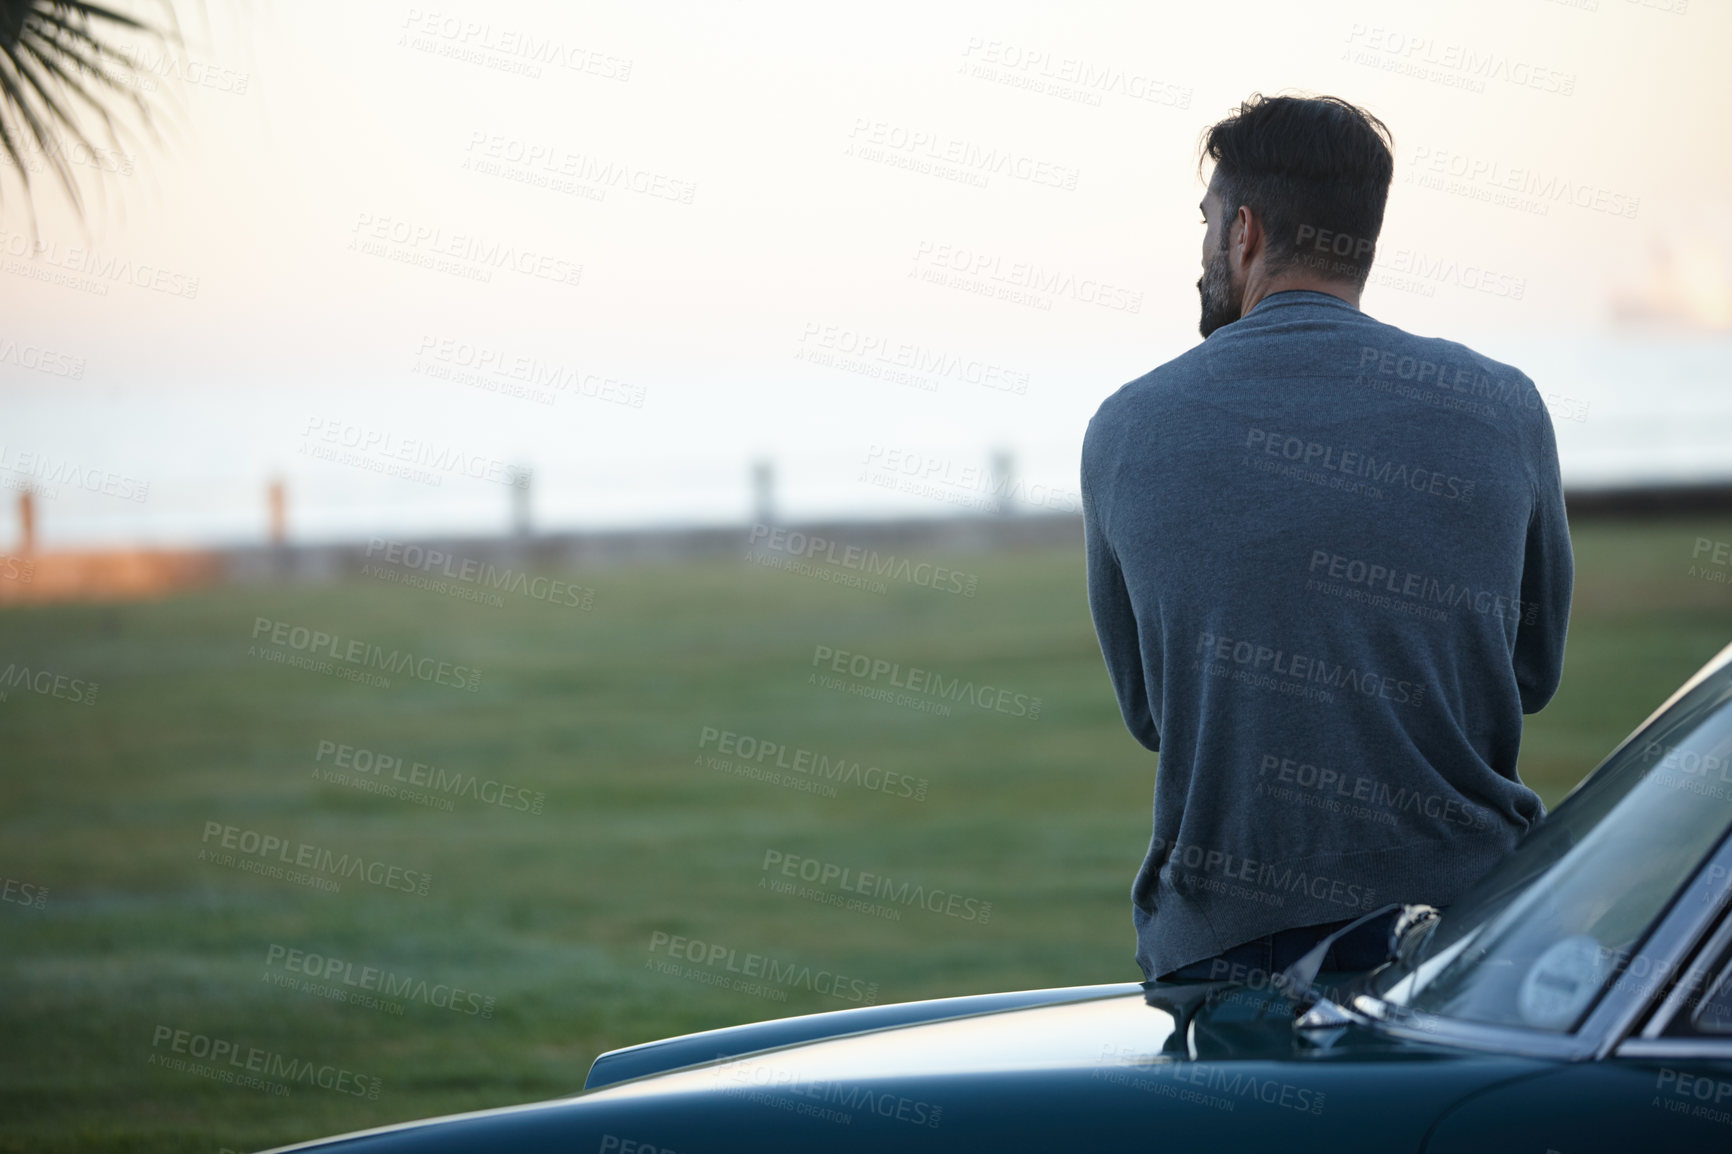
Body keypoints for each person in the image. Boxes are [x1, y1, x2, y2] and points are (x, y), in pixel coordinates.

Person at [1080, 92, 1573, 984]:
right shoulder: (1504, 405)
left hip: (1224, 950)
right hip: (1473, 935)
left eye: (1205, 224)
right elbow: (1531, 675)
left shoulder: (1128, 426)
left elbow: (1153, 714)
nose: (1200, 252)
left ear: (1244, 233)